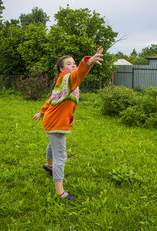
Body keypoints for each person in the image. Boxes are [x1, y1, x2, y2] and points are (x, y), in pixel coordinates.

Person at [34, 46, 104, 201]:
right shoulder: (67, 79)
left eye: (74, 63)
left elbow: (51, 99)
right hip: (56, 124)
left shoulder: (61, 82)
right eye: (69, 64)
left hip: (50, 122)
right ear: (61, 69)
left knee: (52, 145)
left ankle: (49, 165)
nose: (73, 65)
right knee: (61, 156)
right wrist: (88, 62)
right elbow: (79, 74)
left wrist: (41, 112)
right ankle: (60, 193)